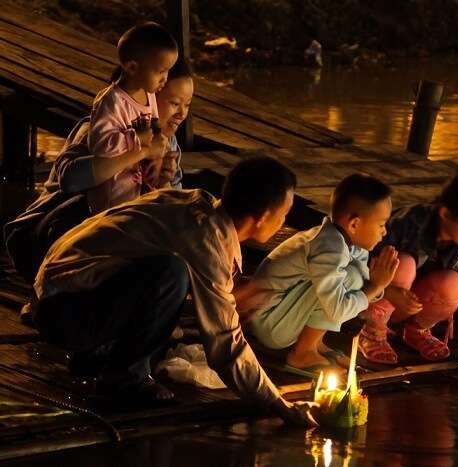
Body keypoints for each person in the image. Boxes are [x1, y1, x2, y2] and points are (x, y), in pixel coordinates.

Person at [32, 157, 316, 425]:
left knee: (174, 281)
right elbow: (225, 343)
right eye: (285, 213)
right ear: (264, 216)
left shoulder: (194, 206)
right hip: (64, 313)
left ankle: (99, 356)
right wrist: (277, 403)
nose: (285, 221)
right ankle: (125, 379)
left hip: (61, 299)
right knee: (171, 273)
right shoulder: (205, 238)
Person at [4, 57, 193, 286]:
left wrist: (163, 182)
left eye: (188, 104)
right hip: (47, 235)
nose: (182, 113)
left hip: (111, 244)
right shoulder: (100, 131)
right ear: (148, 98)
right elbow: (71, 181)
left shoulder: (169, 145)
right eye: (174, 103)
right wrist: (140, 152)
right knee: (87, 209)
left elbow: (169, 212)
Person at [358, 167, 458, 379]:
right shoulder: (408, 223)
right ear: (446, 214)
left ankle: (417, 331)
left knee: (454, 284)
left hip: (414, 305)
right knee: (402, 262)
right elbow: (360, 265)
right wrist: (387, 291)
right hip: (376, 297)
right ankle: (372, 331)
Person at [243, 174, 399, 376]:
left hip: (284, 315)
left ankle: (315, 343)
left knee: (353, 277)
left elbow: (361, 286)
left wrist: (377, 284)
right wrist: (376, 287)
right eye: (381, 224)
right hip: (269, 322)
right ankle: (303, 353)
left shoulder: (348, 243)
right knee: (349, 278)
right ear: (354, 224)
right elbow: (338, 310)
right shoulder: (328, 248)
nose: (384, 232)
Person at [86, 22, 178, 212]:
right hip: (113, 202)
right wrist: (140, 139)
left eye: (168, 71)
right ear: (132, 67)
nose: (165, 78)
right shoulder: (112, 102)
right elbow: (101, 145)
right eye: (161, 71)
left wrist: (158, 157)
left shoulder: (149, 95)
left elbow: (154, 130)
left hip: (138, 196)